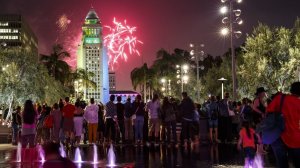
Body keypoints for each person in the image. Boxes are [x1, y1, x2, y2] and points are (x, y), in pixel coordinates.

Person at [267, 82, 300, 168]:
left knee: (281, 164)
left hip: (278, 136)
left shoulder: (280, 98)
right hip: (295, 138)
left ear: (291, 89)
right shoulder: (299, 103)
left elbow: (268, 111)